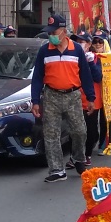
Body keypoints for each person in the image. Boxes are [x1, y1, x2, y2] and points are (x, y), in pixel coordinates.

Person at [31, 13, 95, 182]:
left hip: (73, 96)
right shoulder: (44, 51)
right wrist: (35, 101)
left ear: (64, 31)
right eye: (49, 33)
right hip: (51, 96)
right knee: (51, 134)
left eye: (54, 32)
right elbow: (37, 77)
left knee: (80, 131)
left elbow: (86, 75)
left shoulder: (77, 50)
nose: (51, 36)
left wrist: (90, 97)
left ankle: (78, 158)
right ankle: (57, 169)